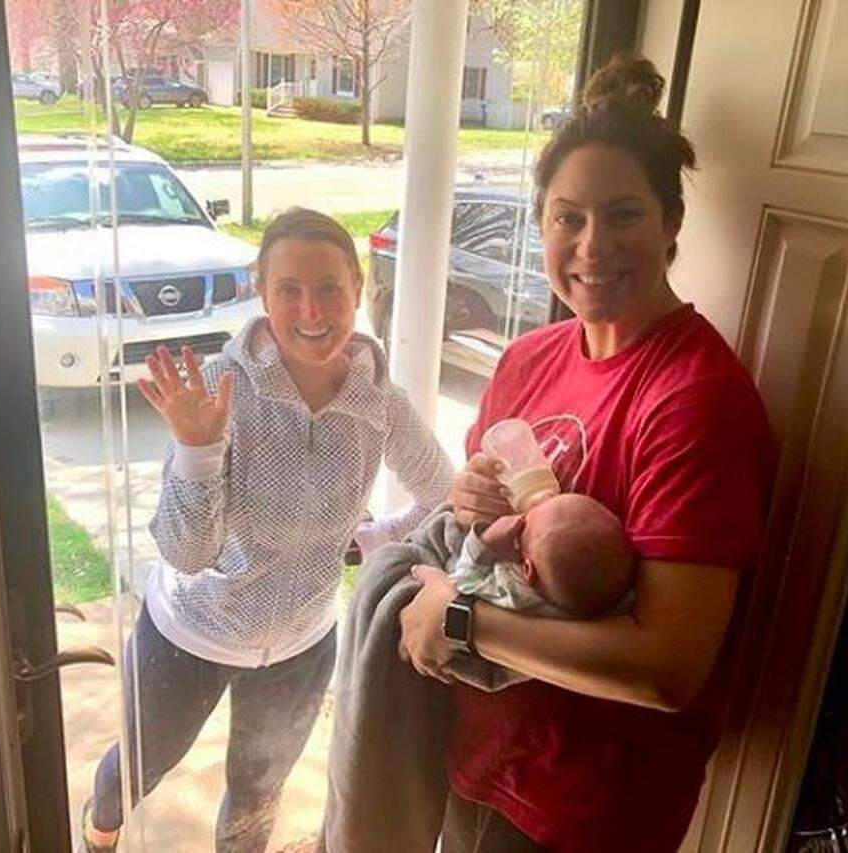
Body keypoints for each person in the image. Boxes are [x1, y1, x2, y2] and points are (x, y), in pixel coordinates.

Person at [398, 53, 776, 852]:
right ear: (542, 226)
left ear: (672, 223)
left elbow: (667, 666)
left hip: (588, 808)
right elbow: (484, 530)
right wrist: (470, 503)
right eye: (568, 216)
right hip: (478, 757)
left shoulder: (696, 397)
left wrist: (462, 619)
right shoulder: (527, 359)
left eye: (624, 214)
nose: (592, 243)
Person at [81, 208, 454, 853]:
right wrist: (197, 450)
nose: (312, 309)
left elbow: (441, 493)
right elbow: (187, 554)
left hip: (301, 646)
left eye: (330, 288)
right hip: (192, 632)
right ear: (262, 295)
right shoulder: (222, 395)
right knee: (133, 774)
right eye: (289, 290)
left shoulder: (379, 404)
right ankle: (96, 835)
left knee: (257, 797)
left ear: (358, 289)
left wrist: (369, 544)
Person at [451, 491, 633, 619]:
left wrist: (487, 541)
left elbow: (463, 583)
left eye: (523, 522)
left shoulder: (515, 594)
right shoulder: (612, 604)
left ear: (527, 569)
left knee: (444, 527)